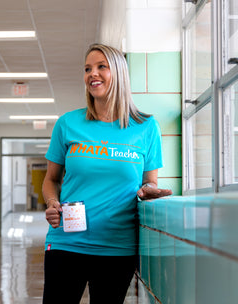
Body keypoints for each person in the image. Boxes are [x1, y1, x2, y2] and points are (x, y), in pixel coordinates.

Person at [42, 43, 172, 304]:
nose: (93, 74)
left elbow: (149, 181)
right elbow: (52, 179)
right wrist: (52, 203)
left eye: (102, 67)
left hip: (117, 246)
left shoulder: (146, 127)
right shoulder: (68, 123)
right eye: (88, 68)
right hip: (67, 242)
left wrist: (149, 191)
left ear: (120, 73)